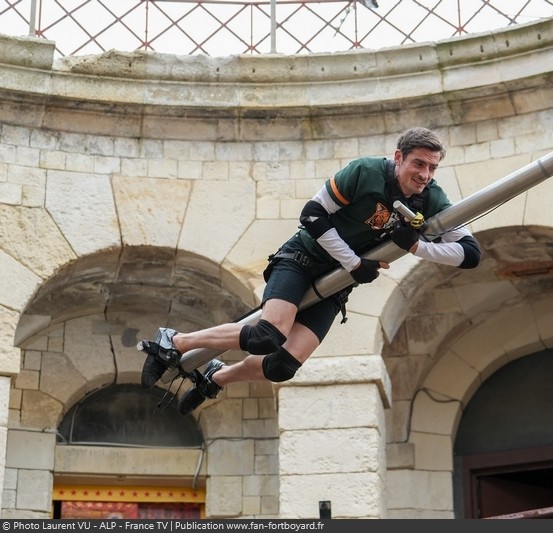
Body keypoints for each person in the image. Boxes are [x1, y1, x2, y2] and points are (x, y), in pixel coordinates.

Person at [138, 127, 482, 415]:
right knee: (266, 336)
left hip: (338, 285)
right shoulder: (365, 172)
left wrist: (417, 247)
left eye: (432, 168)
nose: (424, 174)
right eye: (418, 164)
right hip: (302, 259)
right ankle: (175, 341)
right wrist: (352, 262)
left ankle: (216, 377)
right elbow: (312, 215)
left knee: (281, 366)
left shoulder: (430, 196)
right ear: (398, 158)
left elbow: (470, 255)